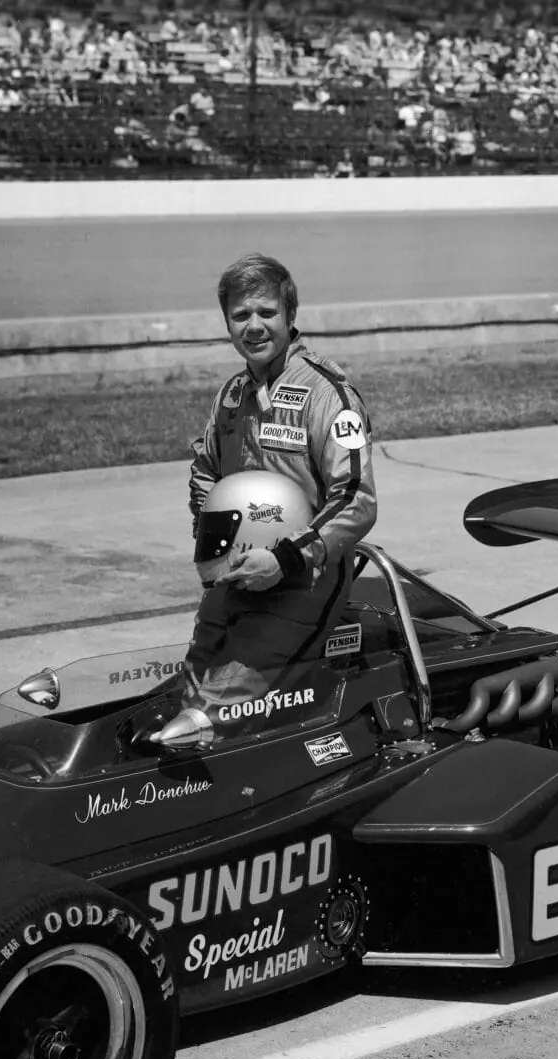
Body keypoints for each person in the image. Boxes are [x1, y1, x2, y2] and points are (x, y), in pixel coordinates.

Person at [160, 252, 377, 741]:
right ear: (227, 323)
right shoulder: (233, 395)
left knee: (217, 713)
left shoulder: (329, 395)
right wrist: (214, 544)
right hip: (232, 579)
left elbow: (356, 499)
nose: (253, 326)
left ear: (290, 316)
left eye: (266, 312)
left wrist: (284, 559)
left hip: (301, 584)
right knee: (187, 694)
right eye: (240, 315)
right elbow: (206, 472)